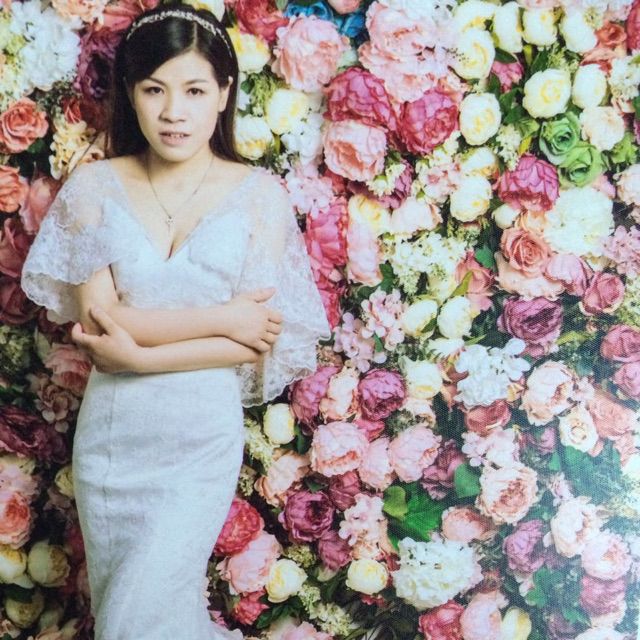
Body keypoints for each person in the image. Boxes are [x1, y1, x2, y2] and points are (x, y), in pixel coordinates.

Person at [20, 4, 331, 639]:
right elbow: (103, 320)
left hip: (201, 438)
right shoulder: (94, 187)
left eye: (193, 91)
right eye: (154, 89)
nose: (173, 112)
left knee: (146, 611)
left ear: (224, 94)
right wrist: (223, 319)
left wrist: (141, 356)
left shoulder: (259, 196)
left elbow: (255, 342)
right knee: (129, 616)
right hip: (115, 441)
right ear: (131, 94)